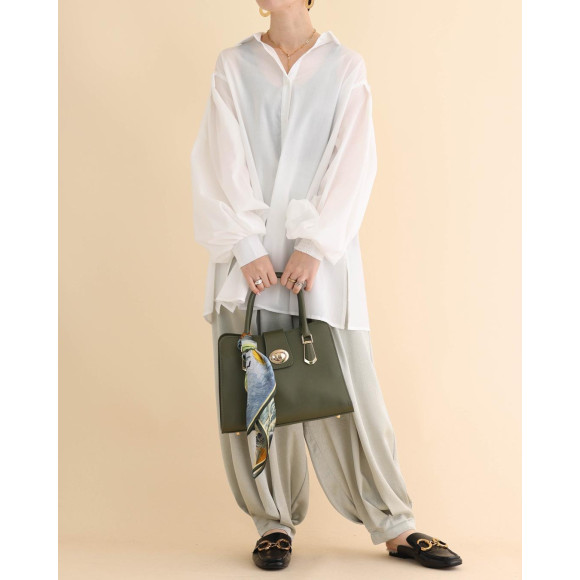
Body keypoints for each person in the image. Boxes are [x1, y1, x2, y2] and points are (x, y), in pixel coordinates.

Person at [190, 0, 462, 571]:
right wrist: (246, 245)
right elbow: (219, 157)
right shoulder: (233, 65)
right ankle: (272, 523)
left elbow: (354, 162)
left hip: (322, 259)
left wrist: (315, 246)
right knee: (257, 391)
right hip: (248, 261)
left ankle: (395, 522)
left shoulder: (344, 66)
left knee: (352, 388)